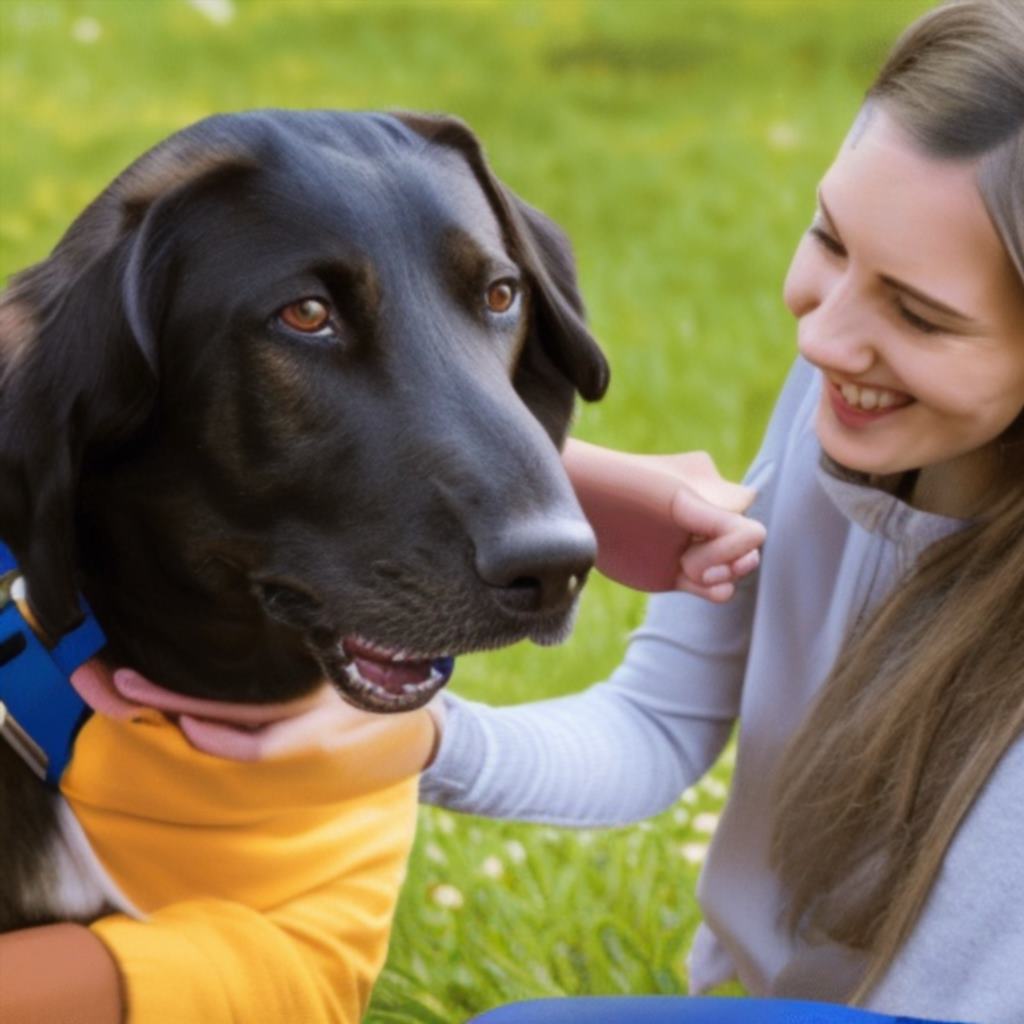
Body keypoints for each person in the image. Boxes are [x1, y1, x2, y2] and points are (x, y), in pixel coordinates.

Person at [421, 1, 1024, 1021]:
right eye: (830, 240)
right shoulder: (851, 409)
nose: (825, 336)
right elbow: (657, 723)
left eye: (917, 313)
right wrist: (420, 741)